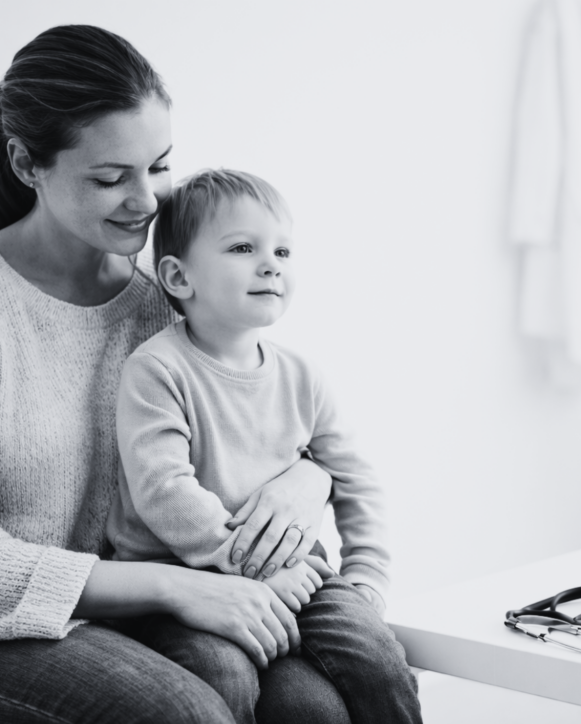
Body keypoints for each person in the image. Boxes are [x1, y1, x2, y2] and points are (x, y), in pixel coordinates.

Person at [0, 25, 358, 724]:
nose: (148, 199)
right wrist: (170, 587)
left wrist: (309, 476)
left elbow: (260, 413)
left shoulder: (165, 296)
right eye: (109, 178)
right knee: (189, 713)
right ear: (27, 163)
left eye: (159, 166)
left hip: (131, 613)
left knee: (317, 708)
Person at [106, 169, 422, 724]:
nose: (271, 264)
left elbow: (354, 478)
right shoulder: (156, 369)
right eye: (243, 248)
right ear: (179, 276)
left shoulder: (303, 376)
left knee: (378, 657)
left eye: (282, 250)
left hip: (295, 572)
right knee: (223, 673)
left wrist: (366, 577)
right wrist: (249, 567)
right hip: (182, 579)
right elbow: (163, 490)